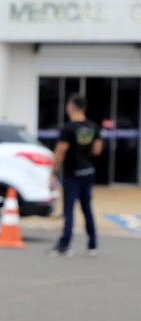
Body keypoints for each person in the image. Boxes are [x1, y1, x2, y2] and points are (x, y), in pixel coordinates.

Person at [51, 94, 102, 257]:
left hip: (72, 174)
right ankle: (92, 244)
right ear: (85, 108)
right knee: (87, 208)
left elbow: (60, 152)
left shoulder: (68, 128)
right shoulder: (93, 127)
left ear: (70, 107)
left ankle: (65, 244)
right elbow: (97, 150)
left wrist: (53, 172)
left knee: (69, 209)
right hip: (88, 172)